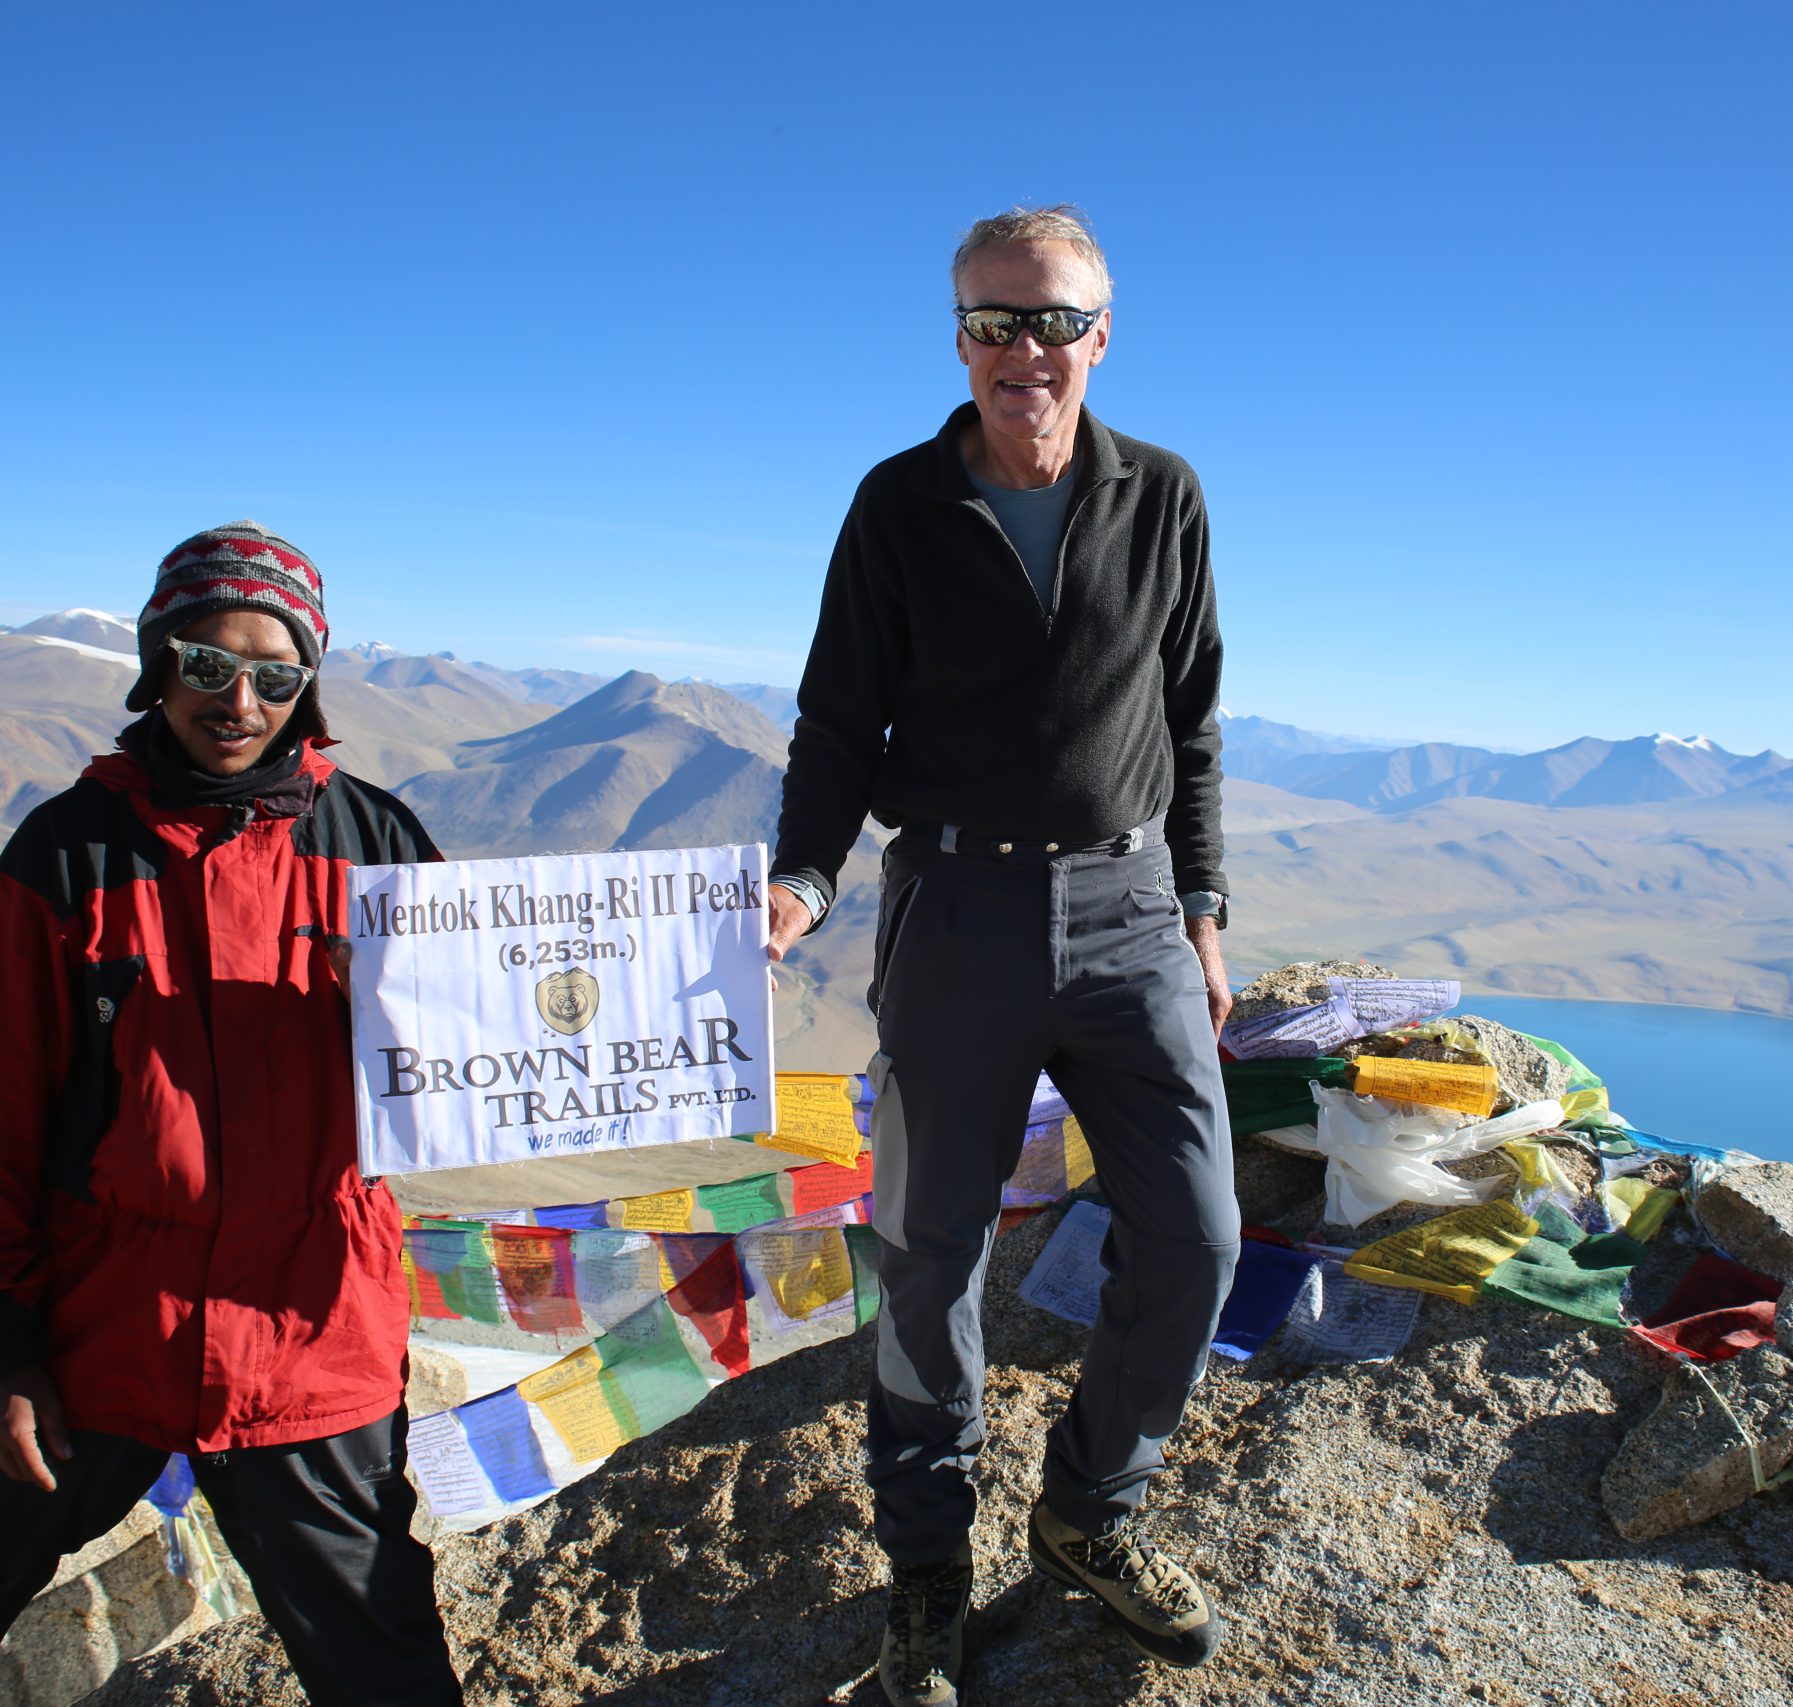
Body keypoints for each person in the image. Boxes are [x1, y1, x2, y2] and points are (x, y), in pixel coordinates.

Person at [0, 523, 464, 1707]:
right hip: (98, 1324)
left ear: (308, 683)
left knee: (379, 1653)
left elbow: (474, 1072)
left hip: (309, 1328)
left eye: (274, 673)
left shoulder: (377, 844)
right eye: (206, 663)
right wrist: (0, 1349)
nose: (237, 698)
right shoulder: (66, 853)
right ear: (157, 663)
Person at [767, 206, 1239, 1707]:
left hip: (1131, 914)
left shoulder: (1164, 497)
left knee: (1199, 1236)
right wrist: (800, 870)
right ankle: (927, 1568)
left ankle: (1090, 1510)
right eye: (990, 322)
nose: (1020, 351)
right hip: (956, 916)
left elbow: (1194, 721)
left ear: (1103, 334)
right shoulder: (896, 504)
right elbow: (841, 721)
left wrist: (1207, 905)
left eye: (1050, 322)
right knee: (928, 1256)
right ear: (957, 334)